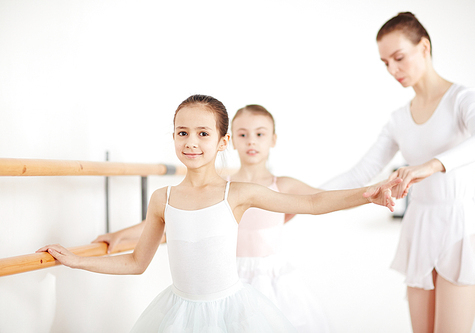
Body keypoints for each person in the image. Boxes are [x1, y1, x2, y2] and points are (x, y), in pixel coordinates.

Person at [38, 94, 401, 332]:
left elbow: (312, 203)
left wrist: (370, 194)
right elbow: (136, 262)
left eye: (202, 133)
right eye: (182, 132)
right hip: (178, 314)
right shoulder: (162, 198)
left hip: (232, 312)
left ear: (222, 141)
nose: (191, 142)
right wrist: (76, 261)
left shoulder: (238, 193)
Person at [321, 12, 475, 333]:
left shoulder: (462, 98)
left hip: (460, 227)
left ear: (424, 47)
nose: (392, 70)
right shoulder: (399, 119)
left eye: (399, 58)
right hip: (420, 227)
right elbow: (360, 173)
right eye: (385, 62)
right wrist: (300, 199)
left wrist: (430, 165)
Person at [95, 104, 334, 332]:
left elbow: (319, 200)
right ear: (231, 140)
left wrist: (366, 194)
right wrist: (121, 234)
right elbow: (173, 218)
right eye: (243, 134)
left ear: (273, 139)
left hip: (271, 281)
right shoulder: (222, 188)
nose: (251, 140)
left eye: (260, 134)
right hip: (227, 276)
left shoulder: (279, 186)